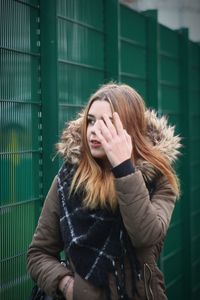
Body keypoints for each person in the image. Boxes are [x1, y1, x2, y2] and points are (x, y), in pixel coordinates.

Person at [27, 83, 181, 300]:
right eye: (90, 121)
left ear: (129, 129)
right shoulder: (68, 179)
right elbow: (38, 253)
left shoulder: (158, 179)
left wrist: (124, 169)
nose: (94, 130)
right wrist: (67, 285)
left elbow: (145, 236)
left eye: (107, 122)